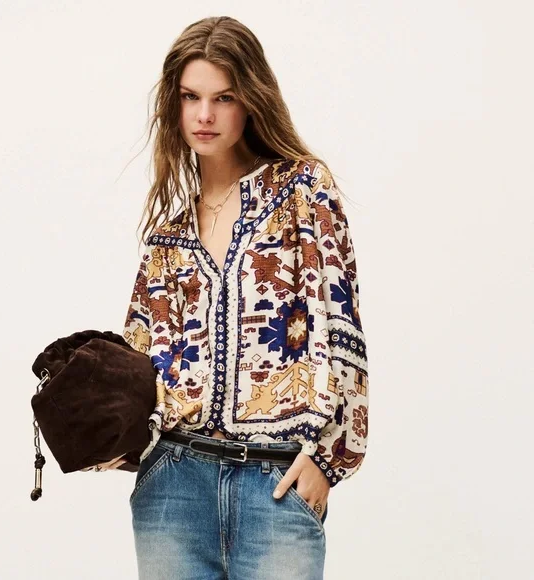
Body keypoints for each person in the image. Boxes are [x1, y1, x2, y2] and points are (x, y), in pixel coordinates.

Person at [112, 16, 368, 580]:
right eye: (191, 97)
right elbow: (139, 358)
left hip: (274, 486)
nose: (204, 115)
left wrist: (328, 460)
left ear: (251, 100)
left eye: (223, 98)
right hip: (174, 488)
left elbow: (342, 331)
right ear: (174, 106)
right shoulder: (168, 236)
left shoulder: (303, 192)